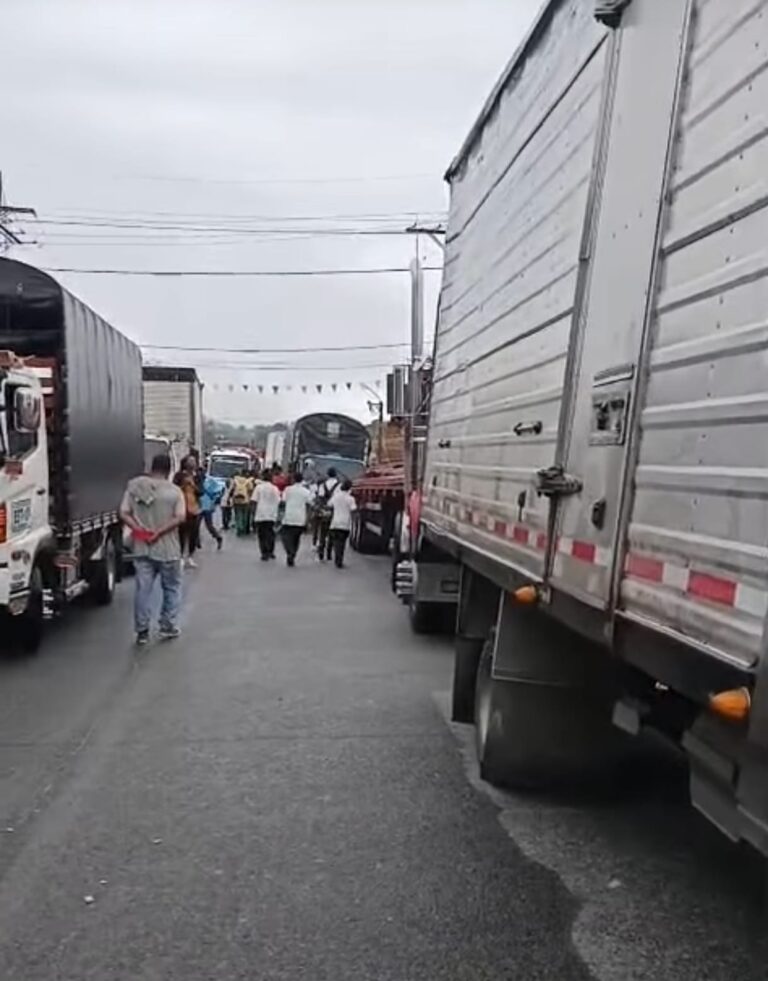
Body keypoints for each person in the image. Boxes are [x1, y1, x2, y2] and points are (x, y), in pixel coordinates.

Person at [120, 453, 186, 645]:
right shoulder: (175, 492)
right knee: (171, 588)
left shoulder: (135, 487)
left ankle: (142, 631)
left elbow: (123, 512)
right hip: (169, 550)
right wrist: (159, 532)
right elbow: (180, 517)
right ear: (168, 469)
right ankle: (168, 625)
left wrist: (139, 530)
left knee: (143, 590)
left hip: (142, 548)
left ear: (152, 467)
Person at [174, 455, 201, 568]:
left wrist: (193, 485)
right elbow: (174, 489)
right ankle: (180, 557)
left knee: (193, 534)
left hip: (194, 509)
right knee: (181, 533)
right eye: (190, 461)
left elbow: (201, 492)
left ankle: (190, 556)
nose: (193, 463)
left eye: (194, 461)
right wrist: (183, 485)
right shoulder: (179, 475)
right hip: (182, 508)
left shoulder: (197, 476)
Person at [280, 474, 312, 567]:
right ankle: (292, 554)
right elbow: (309, 504)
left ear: (293, 479)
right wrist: (308, 519)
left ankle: (290, 552)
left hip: (289, 517)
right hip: (300, 518)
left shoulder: (288, 489)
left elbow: (283, 501)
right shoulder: (306, 491)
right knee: (296, 538)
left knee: (286, 537)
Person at [328, 479, 357, 568]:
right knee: (342, 543)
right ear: (350, 488)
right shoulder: (350, 499)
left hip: (335, 522)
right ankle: (339, 560)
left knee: (336, 541)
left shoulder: (336, 496)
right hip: (345, 524)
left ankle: (336, 557)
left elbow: (329, 504)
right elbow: (353, 509)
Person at [252, 470, 280, 560]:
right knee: (270, 533)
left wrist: (253, 513)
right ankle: (270, 551)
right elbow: (279, 501)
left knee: (262, 534)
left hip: (260, 513)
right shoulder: (275, 488)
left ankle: (264, 553)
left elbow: (254, 500)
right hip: (271, 514)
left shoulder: (259, 488)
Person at [315, 467, 340, 561]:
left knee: (323, 531)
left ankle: (321, 551)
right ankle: (329, 553)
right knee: (332, 532)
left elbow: (320, 497)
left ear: (328, 474)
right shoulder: (339, 485)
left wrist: (321, 508)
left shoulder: (323, 485)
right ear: (335, 474)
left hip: (324, 510)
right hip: (334, 510)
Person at [199, 472, 224, 550]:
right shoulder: (210, 481)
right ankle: (217, 537)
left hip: (202, 506)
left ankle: (217, 537)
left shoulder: (206, 482)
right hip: (205, 506)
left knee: (205, 525)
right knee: (208, 525)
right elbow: (218, 492)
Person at [231, 469, 254, 536]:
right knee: (245, 515)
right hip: (245, 500)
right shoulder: (248, 481)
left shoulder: (235, 480)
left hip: (236, 499)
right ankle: (243, 528)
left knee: (238, 514)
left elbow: (232, 489)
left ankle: (239, 527)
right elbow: (250, 489)